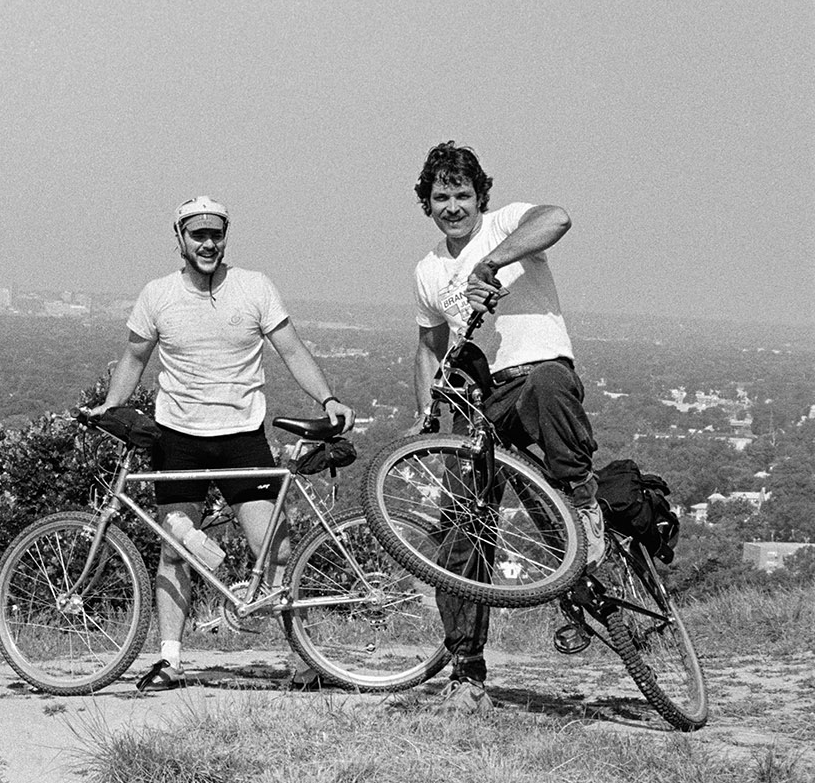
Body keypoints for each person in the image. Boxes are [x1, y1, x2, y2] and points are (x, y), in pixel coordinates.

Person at [89, 197, 354, 690]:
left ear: (226, 236)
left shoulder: (255, 287)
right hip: (178, 437)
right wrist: (110, 406)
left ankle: (304, 660)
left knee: (274, 549)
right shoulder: (158, 294)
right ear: (180, 239)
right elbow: (133, 358)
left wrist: (328, 398)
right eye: (197, 235)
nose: (208, 244)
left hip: (241, 437)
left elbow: (292, 348)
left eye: (216, 235)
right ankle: (170, 660)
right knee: (174, 551)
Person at [408, 141, 603, 713]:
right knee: (461, 529)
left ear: (479, 197)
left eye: (462, 195)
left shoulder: (507, 224)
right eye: (441, 197)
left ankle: (584, 509)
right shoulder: (427, 270)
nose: (452, 206)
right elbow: (427, 345)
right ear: (427, 203)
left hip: (538, 377)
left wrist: (491, 263)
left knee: (548, 404)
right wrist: (425, 415)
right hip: (478, 397)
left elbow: (558, 217)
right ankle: (466, 671)